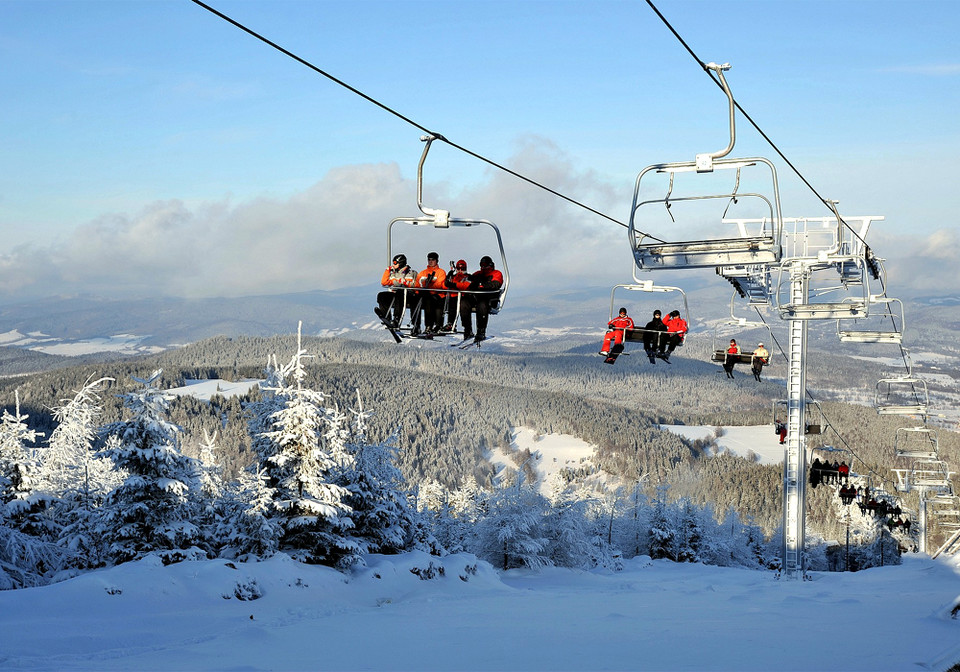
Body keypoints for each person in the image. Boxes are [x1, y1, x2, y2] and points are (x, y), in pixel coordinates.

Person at [456, 255, 503, 342]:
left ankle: (481, 331)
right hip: (476, 297)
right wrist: (464, 279)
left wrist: (482, 285)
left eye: (485, 265)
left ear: (490, 265)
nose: (483, 267)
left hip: (488, 298)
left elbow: (495, 284)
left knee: (482, 304)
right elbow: (470, 281)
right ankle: (467, 330)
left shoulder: (496, 273)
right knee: (464, 302)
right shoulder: (478, 274)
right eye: (481, 265)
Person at [375, 254, 417, 327]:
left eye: (395, 263)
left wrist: (405, 282)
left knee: (400, 293)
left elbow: (416, 285)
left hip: (408, 295)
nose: (393, 264)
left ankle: (396, 319)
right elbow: (384, 282)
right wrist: (387, 270)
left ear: (400, 263)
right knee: (382, 295)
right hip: (397, 294)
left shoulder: (411, 273)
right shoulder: (394, 274)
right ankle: (386, 317)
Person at [413, 252, 447, 335]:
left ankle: (429, 325)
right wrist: (418, 291)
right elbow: (417, 284)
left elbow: (439, 285)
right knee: (414, 300)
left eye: (433, 260)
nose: (430, 261)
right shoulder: (423, 273)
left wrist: (428, 284)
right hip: (424, 294)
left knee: (429, 301)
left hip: (437, 295)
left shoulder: (441, 272)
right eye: (429, 259)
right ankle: (416, 325)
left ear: (437, 260)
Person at [442, 259, 470, 331]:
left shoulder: (468, 277)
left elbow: (466, 286)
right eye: (458, 268)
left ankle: (467, 328)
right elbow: (445, 286)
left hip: (464, 297)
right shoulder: (453, 277)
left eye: (462, 268)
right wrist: (448, 276)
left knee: (463, 307)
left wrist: (454, 285)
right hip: (453, 297)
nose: (460, 270)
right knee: (451, 303)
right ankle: (450, 324)